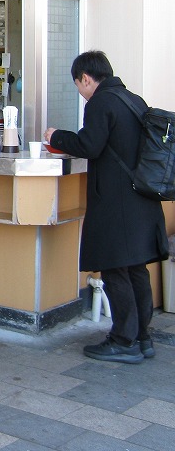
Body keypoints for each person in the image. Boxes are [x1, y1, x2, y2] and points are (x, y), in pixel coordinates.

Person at [44, 50, 169, 364]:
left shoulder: (101, 103)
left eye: (78, 85)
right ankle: (142, 337)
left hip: (117, 203)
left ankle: (123, 340)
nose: (80, 92)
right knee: (136, 269)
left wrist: (57, 137)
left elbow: (90, 145)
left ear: (86, 79)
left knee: (115, 269)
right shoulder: (133, 99)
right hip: (141, 199)